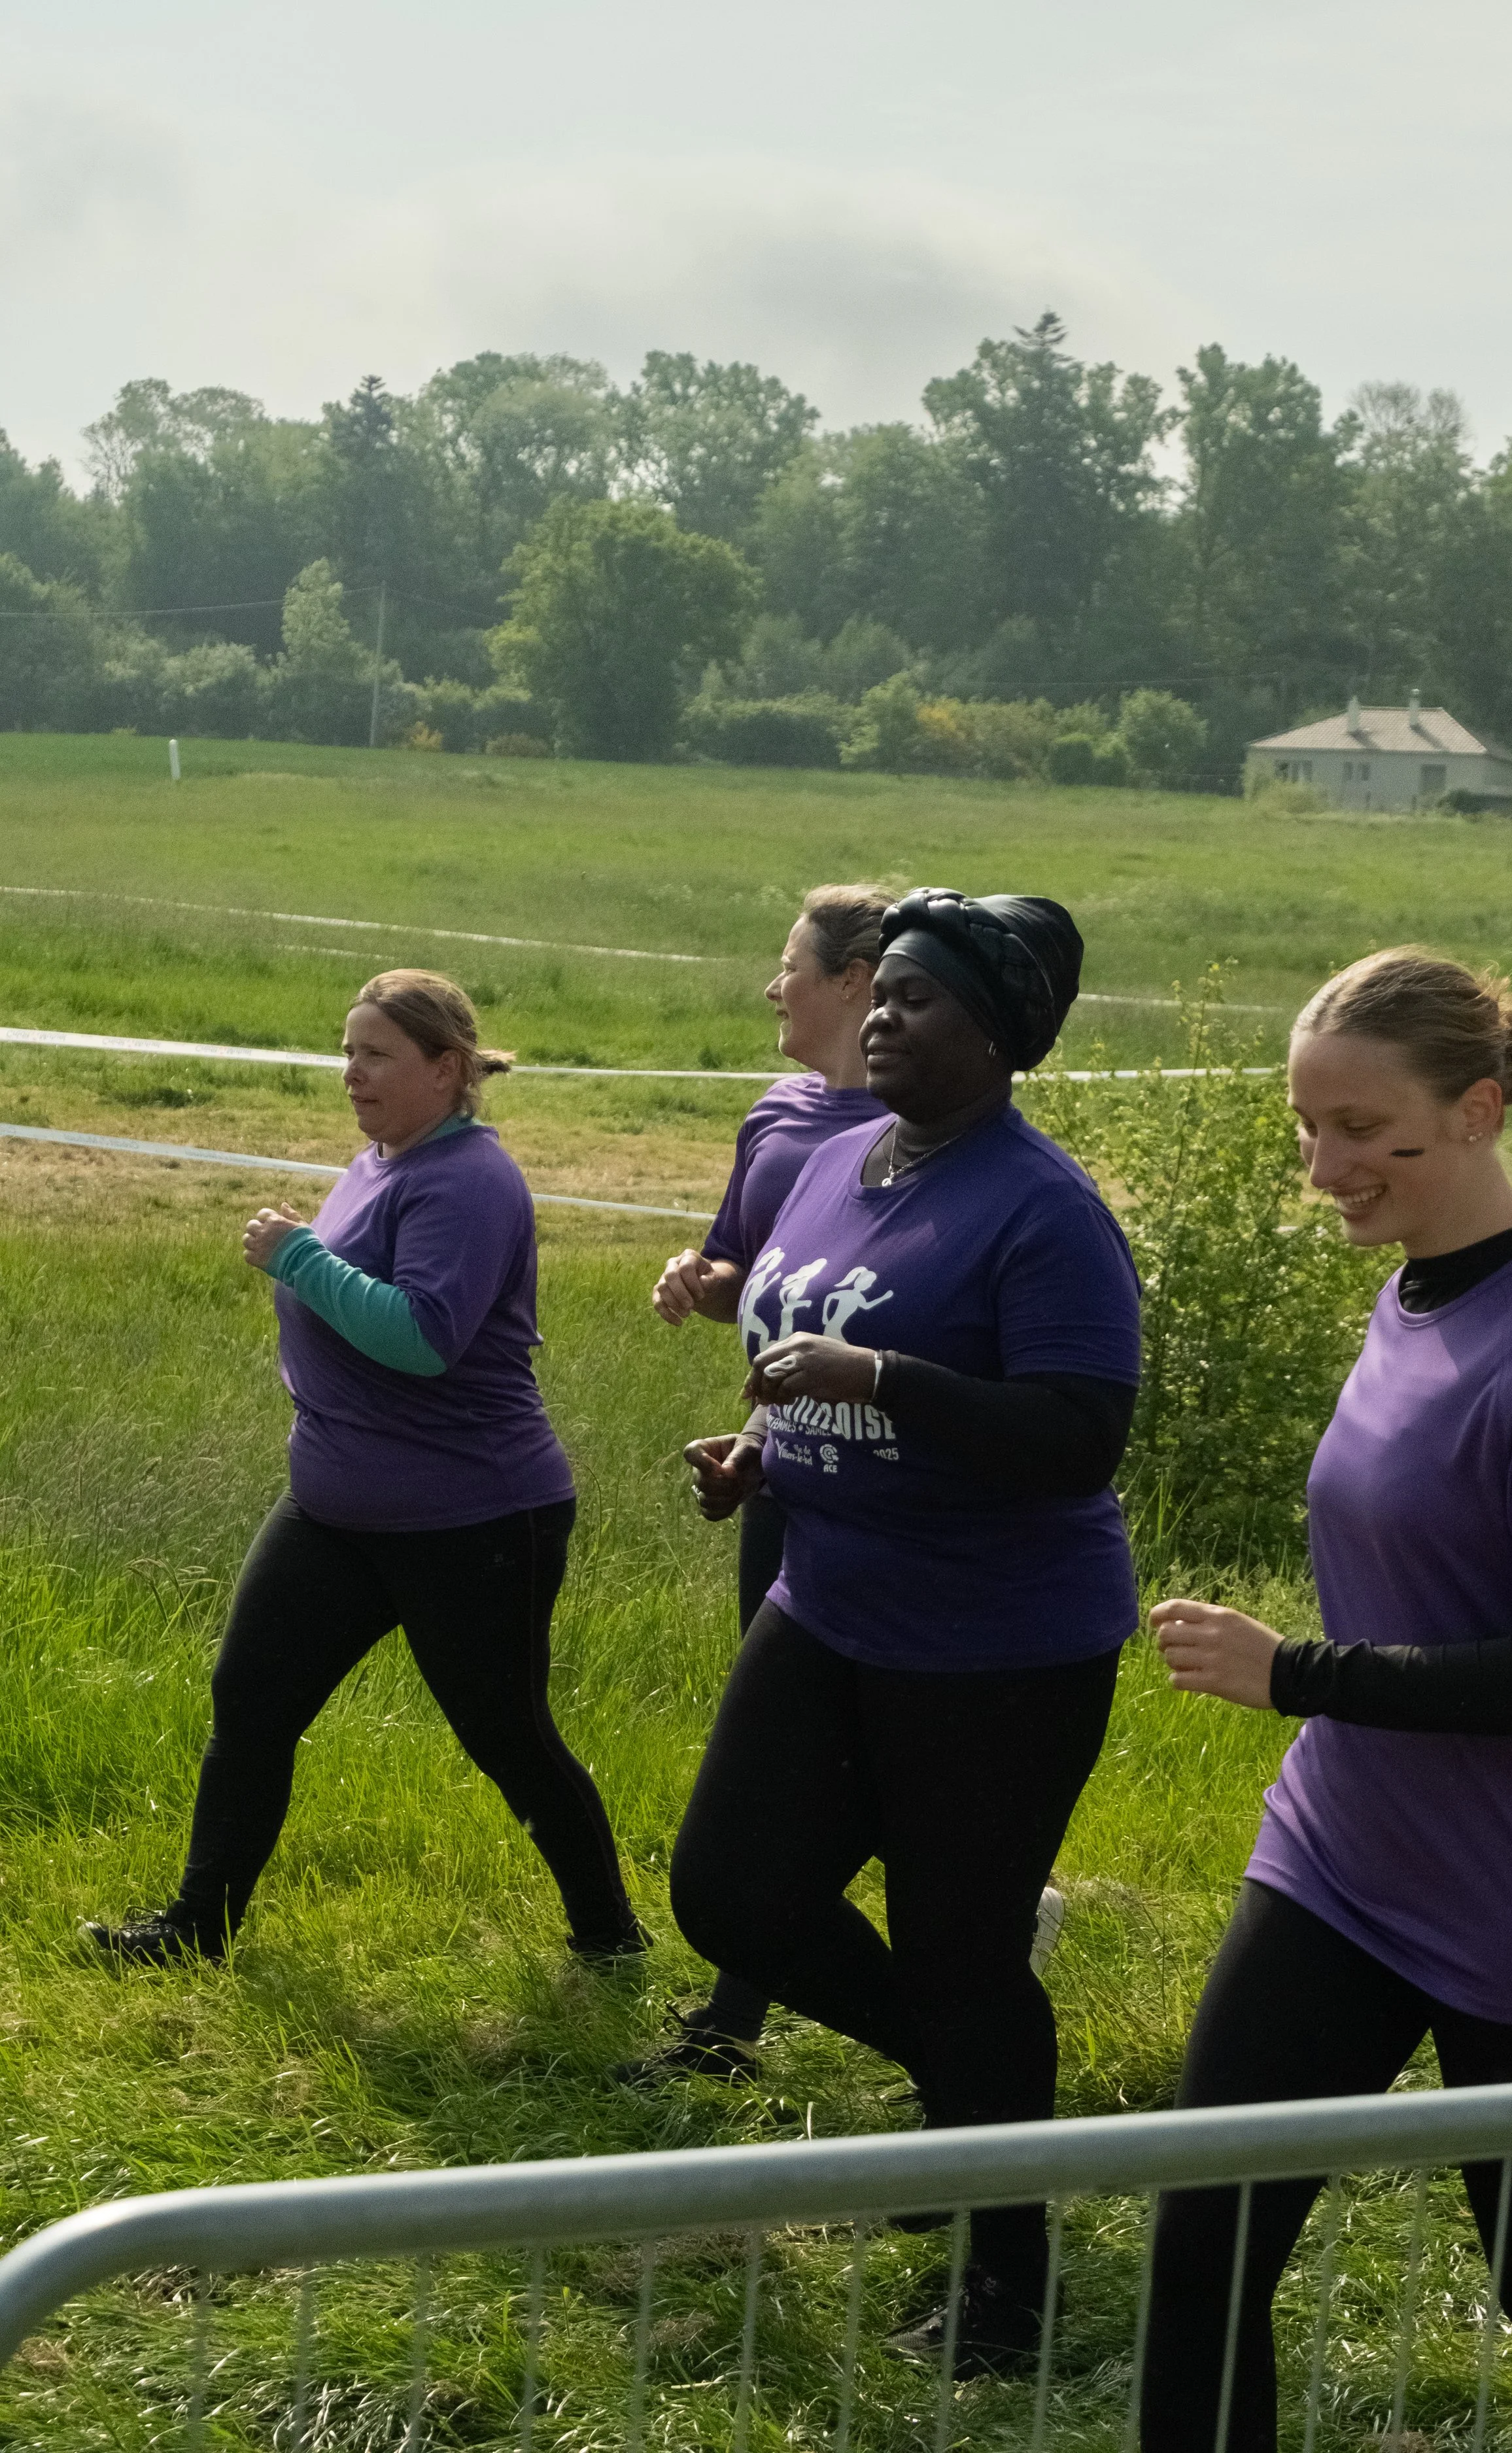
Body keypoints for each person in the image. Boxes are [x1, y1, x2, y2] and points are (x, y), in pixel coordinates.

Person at [1141, 948, 1512, 2453]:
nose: (1321, 1166)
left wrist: (1291, 1671)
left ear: (1477, 1111)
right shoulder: (1411, 1295)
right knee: (1200, 2247)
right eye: (1305, 1126)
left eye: (1363, 1130)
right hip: (1337, 1866)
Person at [666, 888, 1143, 2375]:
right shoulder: (828, 1161)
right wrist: (772, 1449)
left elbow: (1075, 1437)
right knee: (731, 1897)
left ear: (999, 1038)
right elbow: (797, 1338)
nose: (883, 1015)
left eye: (922, 1001)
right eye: (881, 993)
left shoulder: (1042, 1210)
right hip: (831, 1596)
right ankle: (971, 2108)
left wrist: (878, 1385)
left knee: (960, 1955)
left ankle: (1008, 2284)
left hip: (997, 1646)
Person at [87, 969, 647, 1970]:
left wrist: (297, 1255)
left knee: (506, 1736)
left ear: (448, 1068)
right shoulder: (381, 1159)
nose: (352, 1071)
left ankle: (611, 1936)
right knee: (250, 1700)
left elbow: (423, 1337)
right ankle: (196, 1927)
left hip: (473, 1518)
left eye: (376, 1053)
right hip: (335, 1510)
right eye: (347, 1050)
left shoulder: (470, 1180)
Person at [628, 883, 893, 2081]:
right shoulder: (777, 1113)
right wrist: (702, 1275)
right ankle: (733, 2023)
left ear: (853, 979)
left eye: (789, 964)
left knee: (873, 1753)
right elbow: (755, 1270)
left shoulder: (919, 1122)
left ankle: (977, 1958)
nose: (771, 984)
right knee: (780, 1751)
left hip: (890, 1487)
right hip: (785, 1468)